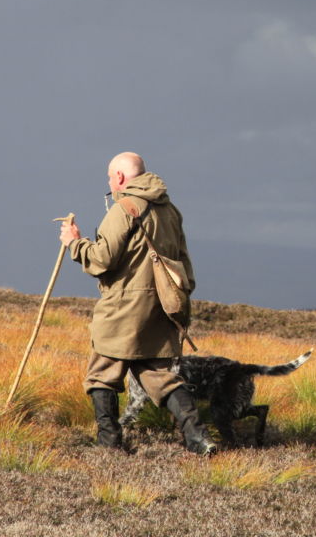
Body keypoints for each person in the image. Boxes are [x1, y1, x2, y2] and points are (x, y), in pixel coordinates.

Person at [59, 151, 216, 455]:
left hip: (124, 307)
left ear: (119, 177)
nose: (109, 182)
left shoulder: (124, 209)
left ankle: (109, 443)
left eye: (109, 176)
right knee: (161, 376)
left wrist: (74, 243)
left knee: (102, 373)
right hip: (162, 307)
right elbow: (183, 260)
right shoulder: (170, 210)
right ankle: (198, 438)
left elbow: (102, 260)